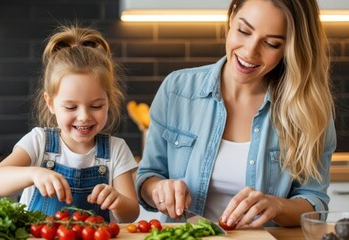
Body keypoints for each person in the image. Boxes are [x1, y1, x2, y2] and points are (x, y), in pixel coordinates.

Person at [135, 0, 336, 229]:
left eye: (271, 43)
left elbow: (315, 203)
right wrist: (158, 189)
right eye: (243, 31)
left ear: (290, 47)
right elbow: (148, 176)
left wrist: (277, 206)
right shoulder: (177, 89)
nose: (250, 52)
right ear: (231, 18)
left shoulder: (309, 109)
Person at [0, 25, 139, 223]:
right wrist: (34, 173)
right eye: (70, 107)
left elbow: (131, 213)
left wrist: (117, 201)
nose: (84, 116)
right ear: (50, 103)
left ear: (108, 101)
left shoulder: (116, 149)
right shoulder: (38, 141)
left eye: (96, 106)